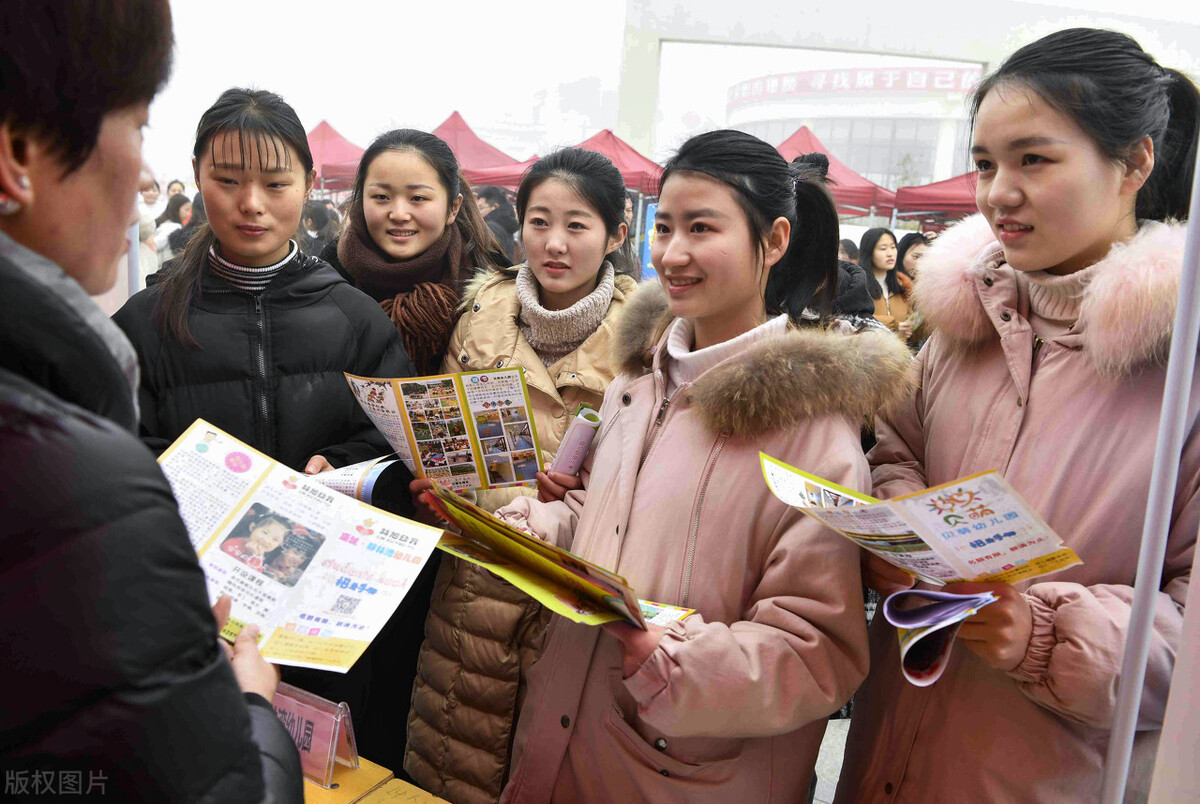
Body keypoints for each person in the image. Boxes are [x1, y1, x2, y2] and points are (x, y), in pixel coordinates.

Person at [492, 131, 914, 803]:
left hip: (684, 773)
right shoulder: (638, 384)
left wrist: (675, 661)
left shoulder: (814, 435)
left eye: (701, 228)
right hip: (569, 738)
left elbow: (818, 651)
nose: (674, 253)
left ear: (773, 242)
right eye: (665, 227)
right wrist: (540, 526)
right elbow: (609, 512)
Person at [837, 28, 1200, 804]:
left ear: (1135, 162)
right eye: (985, 164)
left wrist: (1043, 634)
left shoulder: (1184, 370)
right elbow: (899, 450)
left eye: (1033, 159)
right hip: (888, 755)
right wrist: (896, 528)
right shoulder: (964, 326)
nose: (999, 191)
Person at [0, 2, 301, 800]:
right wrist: (247, 714)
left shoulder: (359, 318)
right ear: (17, 151)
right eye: (133, 125)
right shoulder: (68, 472)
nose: (142, 178)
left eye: (274, 182)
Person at [404, 148, 639, 804]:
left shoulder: (645, 344)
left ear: (617, 234)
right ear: (517, 221)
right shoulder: (481, 315)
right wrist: (438, 491)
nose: (554, 244)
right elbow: (446, 439)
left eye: (577, 225)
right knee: (451, 765)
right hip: (470, 596)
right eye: (539, 222)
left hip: (569, 602)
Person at [114, 88, 415, 473]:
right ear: (196, 175)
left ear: (308, 183)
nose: (252, 203)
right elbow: (113, 449)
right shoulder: (145, 321)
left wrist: (342, 463)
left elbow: (398, 446)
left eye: (275, 185)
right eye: (226, 180)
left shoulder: (357, 318)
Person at [320, 130, 509, 374]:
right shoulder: (323, 282)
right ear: (361, 201)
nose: (399, 214)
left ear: (453, 208)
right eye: (381, 197)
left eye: (418, 198)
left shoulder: (495, 288)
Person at [859, 227, 913, 338]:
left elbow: (913, 333)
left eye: (893, 247)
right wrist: (893, 324)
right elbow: (856, 319)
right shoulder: (858, 286)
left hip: (899, 353)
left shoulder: (903, 286)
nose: (890, 254)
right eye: (883, 249)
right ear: (869, 252)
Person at [476, 184, 520, 261]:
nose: (479, 213)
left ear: (495, 206)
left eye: (481, 208)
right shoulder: (505, 223)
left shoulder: (491, 227)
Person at [153, 192, 191, 266]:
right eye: (186, 210)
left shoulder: (164, 222)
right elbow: (156, 244)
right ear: (176, 209)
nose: (188, 214)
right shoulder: (174, 227)